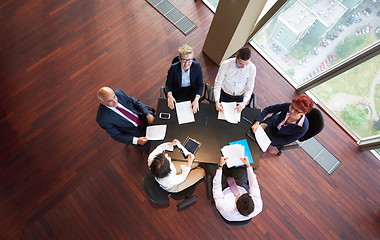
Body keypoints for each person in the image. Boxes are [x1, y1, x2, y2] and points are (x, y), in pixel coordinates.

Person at [212, 157, 263, 221]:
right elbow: (254, 185)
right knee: (240, 163)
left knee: (211, 165)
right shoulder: (258, 206)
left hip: (224, 189)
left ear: (236, 204)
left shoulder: (225, 209)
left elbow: (217, 188)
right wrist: (248, 165)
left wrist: (220, 166)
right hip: (240, 185)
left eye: (238, 196)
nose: (239, 194)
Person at [214, 47, 256, 113]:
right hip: (224, 95)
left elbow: (250, 87)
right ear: (236, 57)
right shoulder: (225, 64)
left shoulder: (252, 68)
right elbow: (218, 83)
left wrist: (244, 103)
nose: (244, 67)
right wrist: (217, 101)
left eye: (247, 64)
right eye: (241, 64)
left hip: (240, 98)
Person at [165, 44, 204, 113]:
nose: (186, 64)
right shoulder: (173, 68)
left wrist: (196, 99)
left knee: (194, 111)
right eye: (184, 60)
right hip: (178, 90)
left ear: (192, 59)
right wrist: (170, 96)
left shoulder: (197, 66)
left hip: (192, 90)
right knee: (176, 111)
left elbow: (200, 84)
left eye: (189, 60)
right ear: (180, 59)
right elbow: (168, 84)